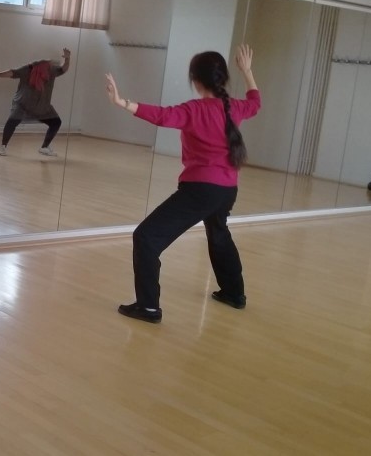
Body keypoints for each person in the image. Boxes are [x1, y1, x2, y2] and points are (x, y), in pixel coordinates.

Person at [105, 44, 260, 323]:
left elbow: (162, 116)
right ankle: (234, 293)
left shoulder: (195, 110)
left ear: (196, 80)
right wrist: (247, 72)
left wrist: (121, 102)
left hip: (201, 189)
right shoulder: (233, 107)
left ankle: (148, 307)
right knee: (219, 233)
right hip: (227, 190)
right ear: (222, 78)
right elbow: (255, 103)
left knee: (146, 237)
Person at [0, 47, 71, 157]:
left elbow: (63, 69)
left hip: (41, 106)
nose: (51, 63)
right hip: (23, 104)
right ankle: (3, 146)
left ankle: (44, 147)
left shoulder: (51, 71)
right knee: (12, 122)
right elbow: (12, 72)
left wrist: (67, 58)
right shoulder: (27, 69)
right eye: (48, 61)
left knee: (56, 122)